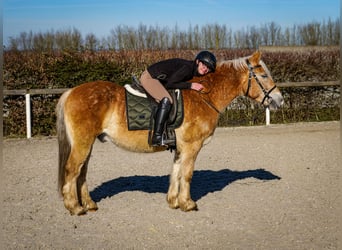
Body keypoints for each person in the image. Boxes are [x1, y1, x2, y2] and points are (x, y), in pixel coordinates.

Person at [139, 50, 216, 146]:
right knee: (167, 100)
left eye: (208, 69)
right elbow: (170, 84)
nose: (205, 69)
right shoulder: (188, 68)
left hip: (157, 79)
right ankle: (157, 137)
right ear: (197, 62)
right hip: (149, 78)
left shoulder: (191, 69)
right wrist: (191, 85)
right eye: (204, 66)